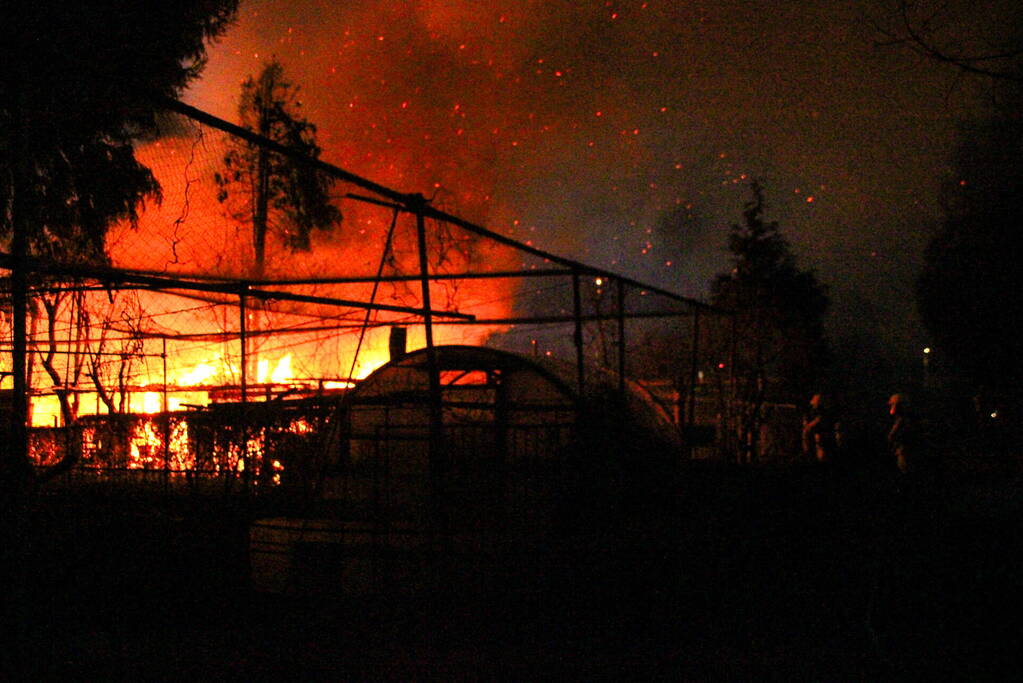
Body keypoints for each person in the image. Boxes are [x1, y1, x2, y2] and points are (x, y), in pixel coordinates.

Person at [802, 393, 841, 463]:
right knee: (806, 436)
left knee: (818, 439)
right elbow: (806, 417)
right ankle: (808, 453)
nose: (817, 400)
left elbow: (819, 418)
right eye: (816, 399)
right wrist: (806, 423)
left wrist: (810, 425)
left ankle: (821, 458)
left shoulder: (821, 410)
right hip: (812, 429)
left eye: (818, 399)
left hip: (818, 429)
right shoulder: (809, 409)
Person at [887, 393, 915, 474]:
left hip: (905, 454)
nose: (892, 408)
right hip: (900, 452)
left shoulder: (906, 422)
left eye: (893, 405)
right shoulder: (899, 421)